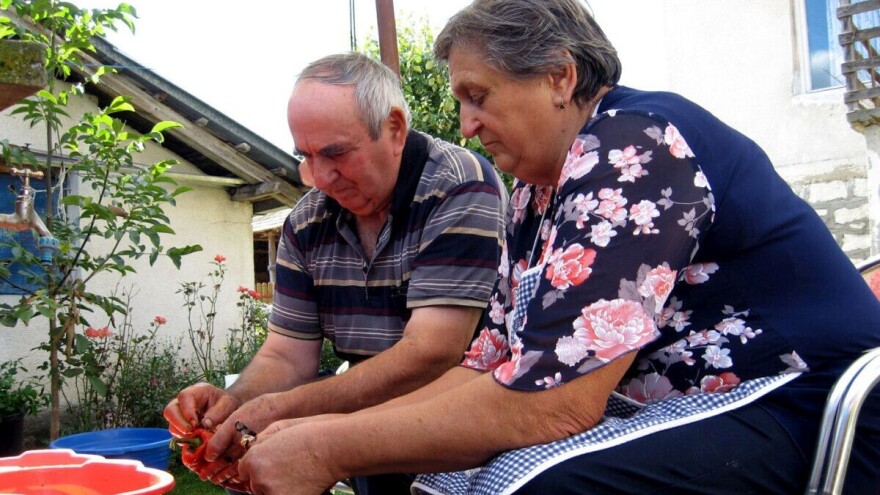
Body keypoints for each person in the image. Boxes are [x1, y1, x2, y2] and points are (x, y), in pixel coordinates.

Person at [235, 1, 880, 494]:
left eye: (477, 96)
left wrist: (329, 448)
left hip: (810, 401)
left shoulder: (637, 143)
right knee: (440, 475)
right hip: (711, 407)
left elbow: (556, 404)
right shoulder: (533, 199)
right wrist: (324, 432)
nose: (466, 125)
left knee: (536, 485)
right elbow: (486, 367)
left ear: (558, 77)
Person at [163, 52, 506, 495]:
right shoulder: (306, 224)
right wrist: (235, 402)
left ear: (394, 129)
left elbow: (431, 354)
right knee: (256, 467)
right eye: (305, 155)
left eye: (336, 153)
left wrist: (280, 410)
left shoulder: (457, 185)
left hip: (459, 419)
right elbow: (286, 356)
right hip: (365, 415)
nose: (319, 177)